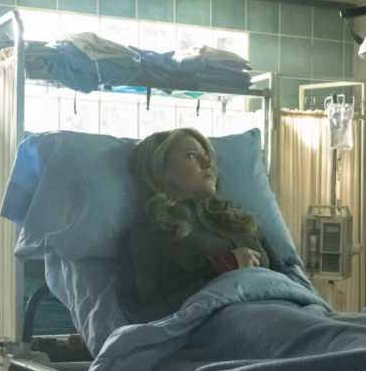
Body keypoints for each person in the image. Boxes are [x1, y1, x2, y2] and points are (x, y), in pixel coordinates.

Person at [120, 127, 281, 321]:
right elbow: (143, 311)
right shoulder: (148, 234)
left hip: (283, 314)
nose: (208, 163)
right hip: (225, 327)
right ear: (161, 170)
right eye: (191, 155)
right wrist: (219, 267)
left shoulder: (242, 222)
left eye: (207, 156)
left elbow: (288, 277)